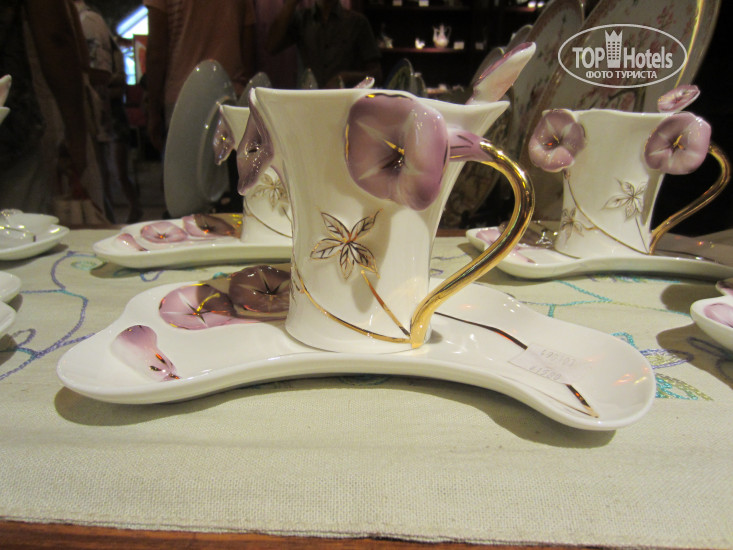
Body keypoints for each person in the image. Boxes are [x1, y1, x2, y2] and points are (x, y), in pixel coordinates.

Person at [0, 0, 105, 218]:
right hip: (12, 128)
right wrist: (76, 133)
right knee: (21, 229)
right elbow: (56, 36)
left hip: (14, 123)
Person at [143, 0, 256, 153]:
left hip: (183, 101)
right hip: (231, 99)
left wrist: (153, 112)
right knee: (228, 165)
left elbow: (157, 50)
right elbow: (249, 45)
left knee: (183, 166)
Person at [73, 0, 142, 223]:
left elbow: (109, 80)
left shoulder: (89, 22)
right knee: (108, 174)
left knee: (116, 173)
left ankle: (133, 210)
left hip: (111, 117)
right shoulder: (93, 25)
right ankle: (121, 214)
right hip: (107, 115)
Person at [267, 0, 382, 89]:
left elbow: (376, 74)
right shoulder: (301, 19)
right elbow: (271, 46)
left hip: (344, 101)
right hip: (307, 99)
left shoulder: (357, 22)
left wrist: (345, 77)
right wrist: (290, 4)